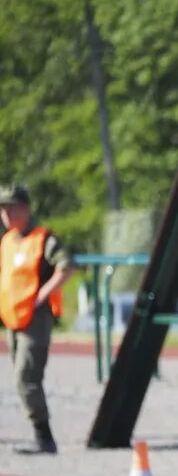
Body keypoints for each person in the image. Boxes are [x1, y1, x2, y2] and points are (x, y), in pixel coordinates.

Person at [0, 184, 73, 454]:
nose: (6, 214)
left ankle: (45, 438)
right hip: (13, 319)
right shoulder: (8, 240)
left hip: (35, 318)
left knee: (25, 378)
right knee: (22, 379)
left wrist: (44, 294)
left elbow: (67, 266)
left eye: (11, 207)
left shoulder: (43, 239)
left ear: (25, 208)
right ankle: (41, 435)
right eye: (2, 209)